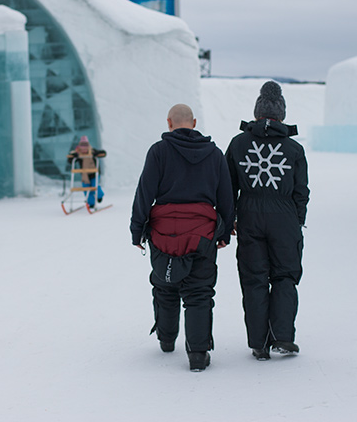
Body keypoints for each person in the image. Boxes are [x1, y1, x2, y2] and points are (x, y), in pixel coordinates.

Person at [130, 104, 234, 372]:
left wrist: (137, 229)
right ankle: (198, 354)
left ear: (169, 123)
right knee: (199, 292)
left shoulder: (158, 152)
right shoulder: (214, 154)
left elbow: (144, 192)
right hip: (202, 233)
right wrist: (224, 233)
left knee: (165, 286)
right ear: (194, 123)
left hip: (163, 233)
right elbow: (226, 197)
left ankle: (166, 339)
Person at [225, 81, 310, 361]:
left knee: (254, 280)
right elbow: (301, 191)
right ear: (281, 115)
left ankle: (259, 343)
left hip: (249, 216)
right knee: (285, 276)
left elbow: (227, 187)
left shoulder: (238, 144)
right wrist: (296, 221)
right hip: (284, 218)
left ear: (256, 113)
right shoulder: (294, 150)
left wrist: (229, 220)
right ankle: (283, 337)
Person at [66, 135, 106, 208]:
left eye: (85, 145)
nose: (84, 148)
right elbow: (70, 160)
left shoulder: (92, 151)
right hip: (85, 175)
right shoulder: (78, 154)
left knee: (95, 187)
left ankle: (99, 196)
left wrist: (97, 154)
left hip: (94, 174)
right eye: (82, 146)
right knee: (85, 189)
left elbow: (103, 153)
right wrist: (73, 155)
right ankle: (91, 203)